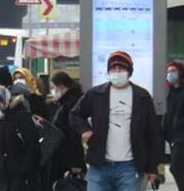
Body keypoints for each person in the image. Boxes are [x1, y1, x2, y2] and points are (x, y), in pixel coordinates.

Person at [70, 51, 163, 191]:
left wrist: (152, 168)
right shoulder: (96, 94)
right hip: (99, 165)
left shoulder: (142, 97)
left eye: (121, 69)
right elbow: (75, 114)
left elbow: (153, 133)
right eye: (113, 69)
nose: (117, 72)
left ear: (129, 71)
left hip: (131, 168)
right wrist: (85, 130)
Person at [0, 66, 40, 191]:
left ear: (7, 88)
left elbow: (33, 148)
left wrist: (22, 175)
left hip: (20, 182)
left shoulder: (21, 113)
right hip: (2, 179)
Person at [39, 71, 86, 191]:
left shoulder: (70, 105)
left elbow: (73, 135)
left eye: (53, 88)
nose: (52, 91)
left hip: (65, 159)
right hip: (63, 156)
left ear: (61, 87)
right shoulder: (66, 103)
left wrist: (75, 163)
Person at [167, 62, 184, 191]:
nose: (170, 74)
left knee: (175, 166)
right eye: (168, 72)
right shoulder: (171, 93)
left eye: (173, 71)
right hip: (174, 137)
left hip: (181, 135)